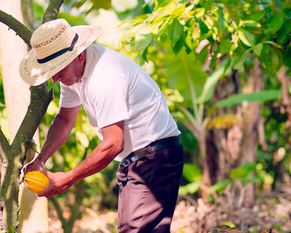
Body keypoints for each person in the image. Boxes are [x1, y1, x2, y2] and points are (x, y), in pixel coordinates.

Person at [20, 18, 184, 233]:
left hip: (154, 158)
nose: (56, 78)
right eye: (52, 72)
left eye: (59, 71)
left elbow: (113, 143)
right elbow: (64, 119)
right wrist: (40, 160)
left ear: (78, 55)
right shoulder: (73, 74)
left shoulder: (105, 76)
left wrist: (66, 179)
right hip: (135, 160)